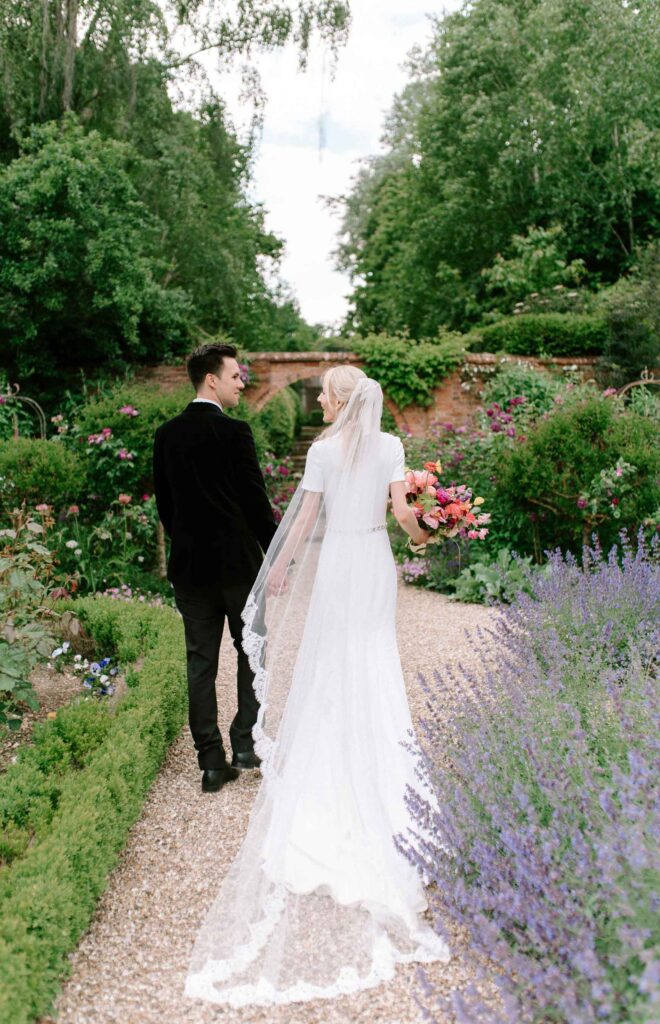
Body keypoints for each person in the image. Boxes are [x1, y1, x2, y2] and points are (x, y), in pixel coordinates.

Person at [185, 366, 449, 1006]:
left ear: (341, 400)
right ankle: (381, 776)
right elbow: (403, 520)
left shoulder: (324, 452)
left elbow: (301, 523)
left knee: (336, 663)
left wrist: (279, 570)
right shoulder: (389, 448)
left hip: (338, 567)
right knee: (369, 660)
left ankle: (333, 767)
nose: (323, 401)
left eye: (327, 394)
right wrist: (436, 527)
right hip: (373, 562)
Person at [153, 343, 277, 794]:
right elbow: (255, 502)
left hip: (190, 571)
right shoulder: (235, 432)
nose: (242, 382)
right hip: (239, 568)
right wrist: (276, 555)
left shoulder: (165, 435)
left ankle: (210, 762)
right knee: (253, 652)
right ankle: (244, 743)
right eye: (235, 376)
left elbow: (166, 507)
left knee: (200, 664)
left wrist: (186, 545)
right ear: (212, 380)